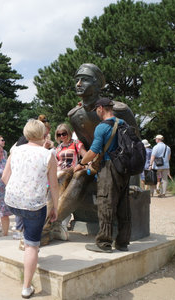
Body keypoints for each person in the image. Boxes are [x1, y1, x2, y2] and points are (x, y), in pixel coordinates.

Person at [2, 119, 59, 299]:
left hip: (12, 201)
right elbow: (55, 186)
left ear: (26, 134)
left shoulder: (15, 150)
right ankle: (26, 287)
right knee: (33, 245)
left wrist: (17, 191)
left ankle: (24, 239)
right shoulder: (48, 155)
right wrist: (55, 207)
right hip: (34, 205)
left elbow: (5, 177)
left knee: (27, 228)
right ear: (44, 135)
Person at [74, 98, 131, 253]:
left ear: (100, 108)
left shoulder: (102, 127)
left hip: (109, 167)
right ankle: (123, 242)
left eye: (96, 110)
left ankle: (104, 243)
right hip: (124, 168)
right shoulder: (123, 124)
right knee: (123, 205)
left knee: (105, 203)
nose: (96, 113)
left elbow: (94, 151)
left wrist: (81, 163)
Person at [54, 123, 87, 236]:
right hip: (59, 176)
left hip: (71, 174)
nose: (62, 136)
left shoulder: (76, 144)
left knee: (65, 201)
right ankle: (57, 225)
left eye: (64, 133)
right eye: (59, 135)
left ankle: (62, 225)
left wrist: (82, 165)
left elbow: (86, 156)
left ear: (69, 133)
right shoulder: (58, 148)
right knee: (56, 200)